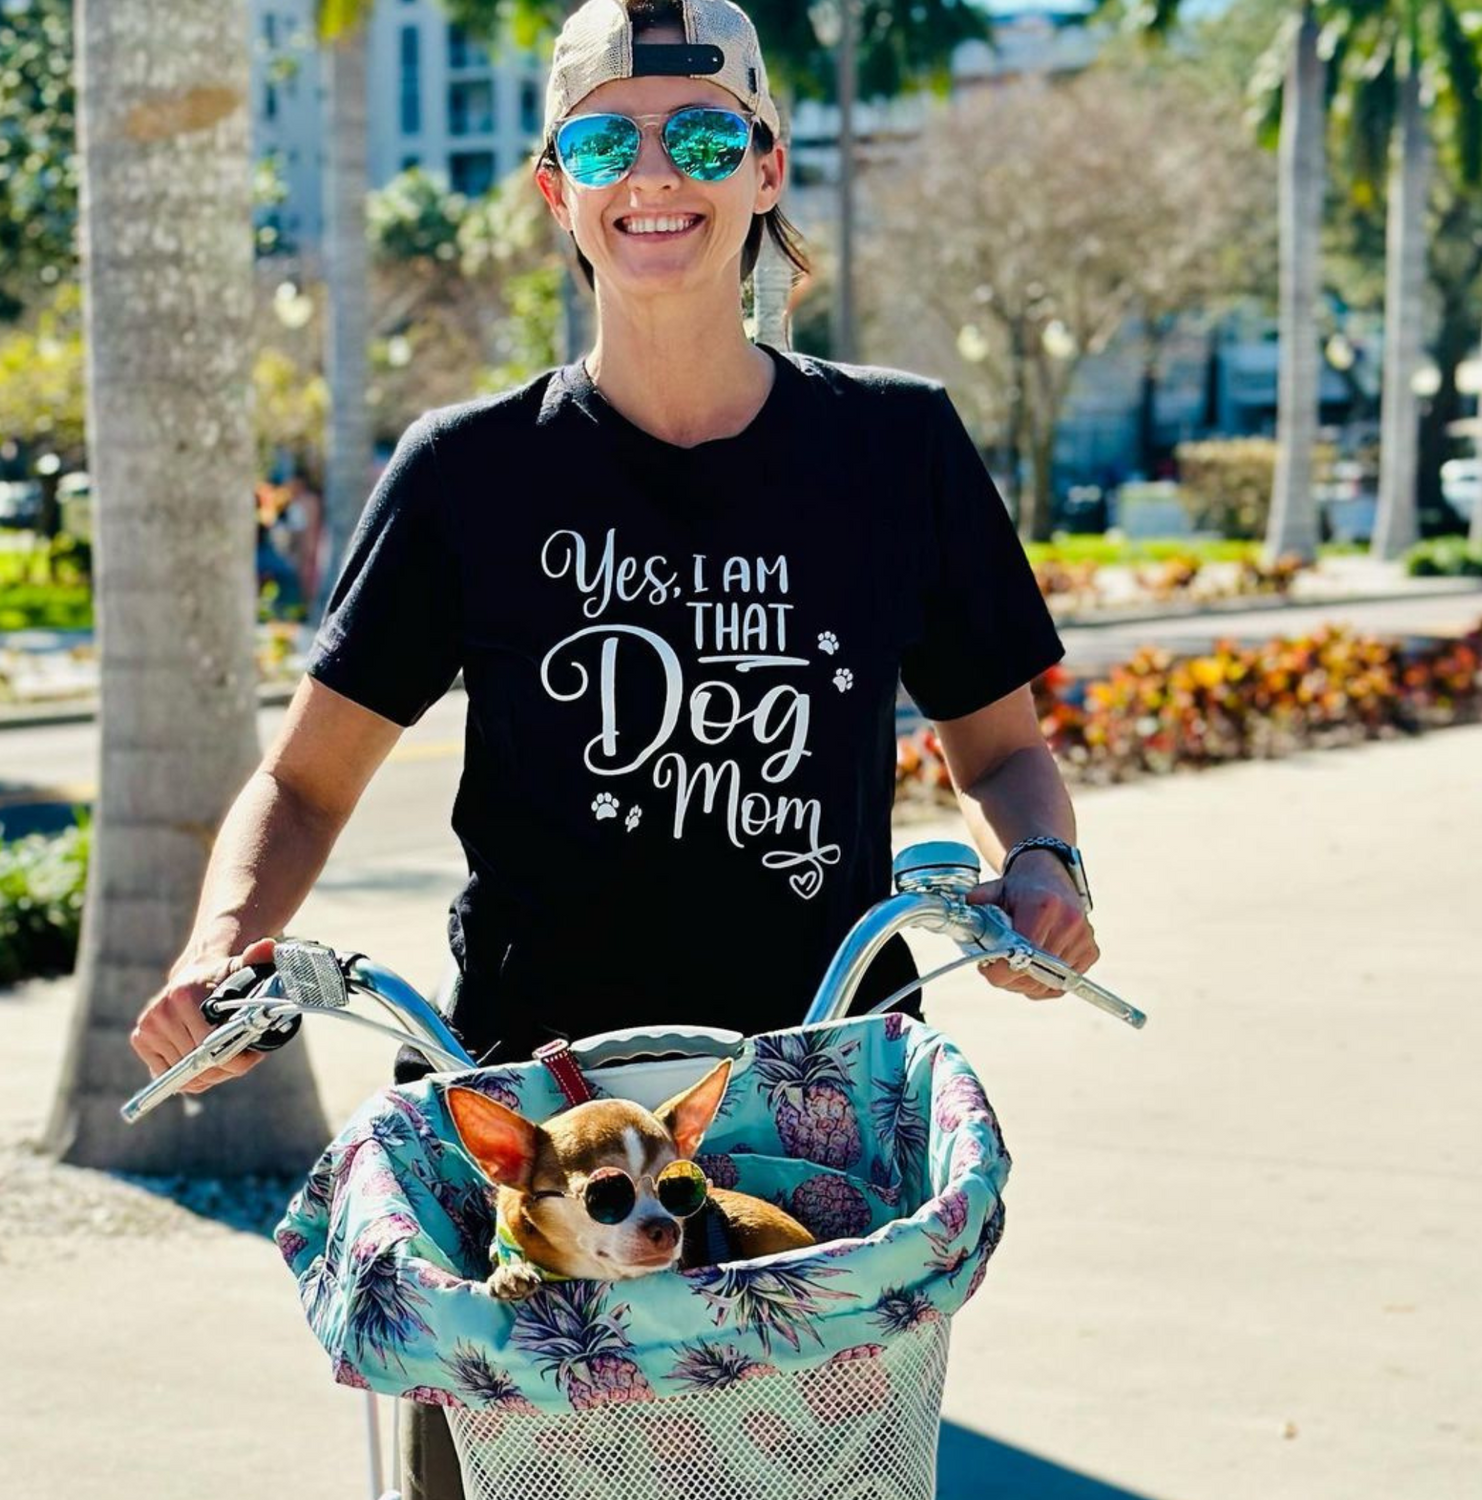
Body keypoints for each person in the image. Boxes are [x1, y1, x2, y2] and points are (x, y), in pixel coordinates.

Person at [132, 0, 1099, 1492]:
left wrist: (1041, 866)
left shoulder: (899, 449)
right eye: (609, 138)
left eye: (704, 133)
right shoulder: (467, 473)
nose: (659, 172)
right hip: (528, 1135)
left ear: (766, 165)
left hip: (804, 1129)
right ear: (556, 183)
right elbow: (311, 779)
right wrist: (221, 953)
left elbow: (1004, 749)